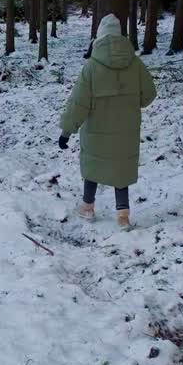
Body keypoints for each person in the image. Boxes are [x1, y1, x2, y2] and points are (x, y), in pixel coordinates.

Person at [58, 13, 157, 229]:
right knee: (121, 170)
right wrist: (131, 102)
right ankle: (123, 216)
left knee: (93, 166)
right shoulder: (136, 64)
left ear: (99, 36)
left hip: (96, 130)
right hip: (126, 131)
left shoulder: (91, 67)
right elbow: (149, 94)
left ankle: (87, 208)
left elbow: (78, 103)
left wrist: (66, 131)